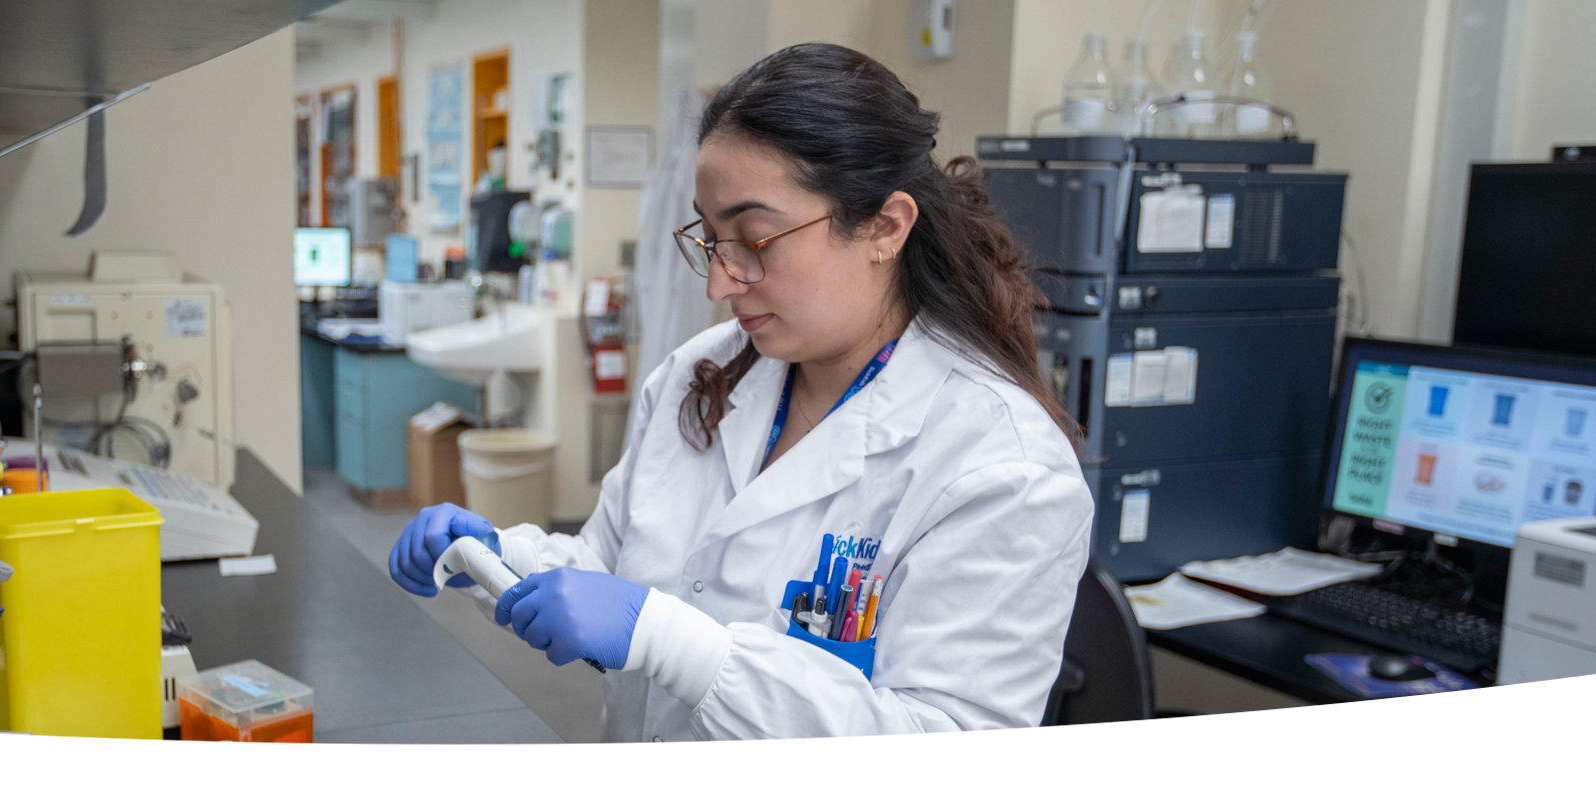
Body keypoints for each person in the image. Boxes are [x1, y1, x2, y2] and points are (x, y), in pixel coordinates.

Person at [388, 43, 1094, 742]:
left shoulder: (1003, 466)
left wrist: (680, 646)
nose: (719, 283)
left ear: (885, 226)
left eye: (755, 240)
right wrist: (499, 559)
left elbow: (942, 747)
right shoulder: (701, 374)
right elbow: (608, 569)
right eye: (711, 237)